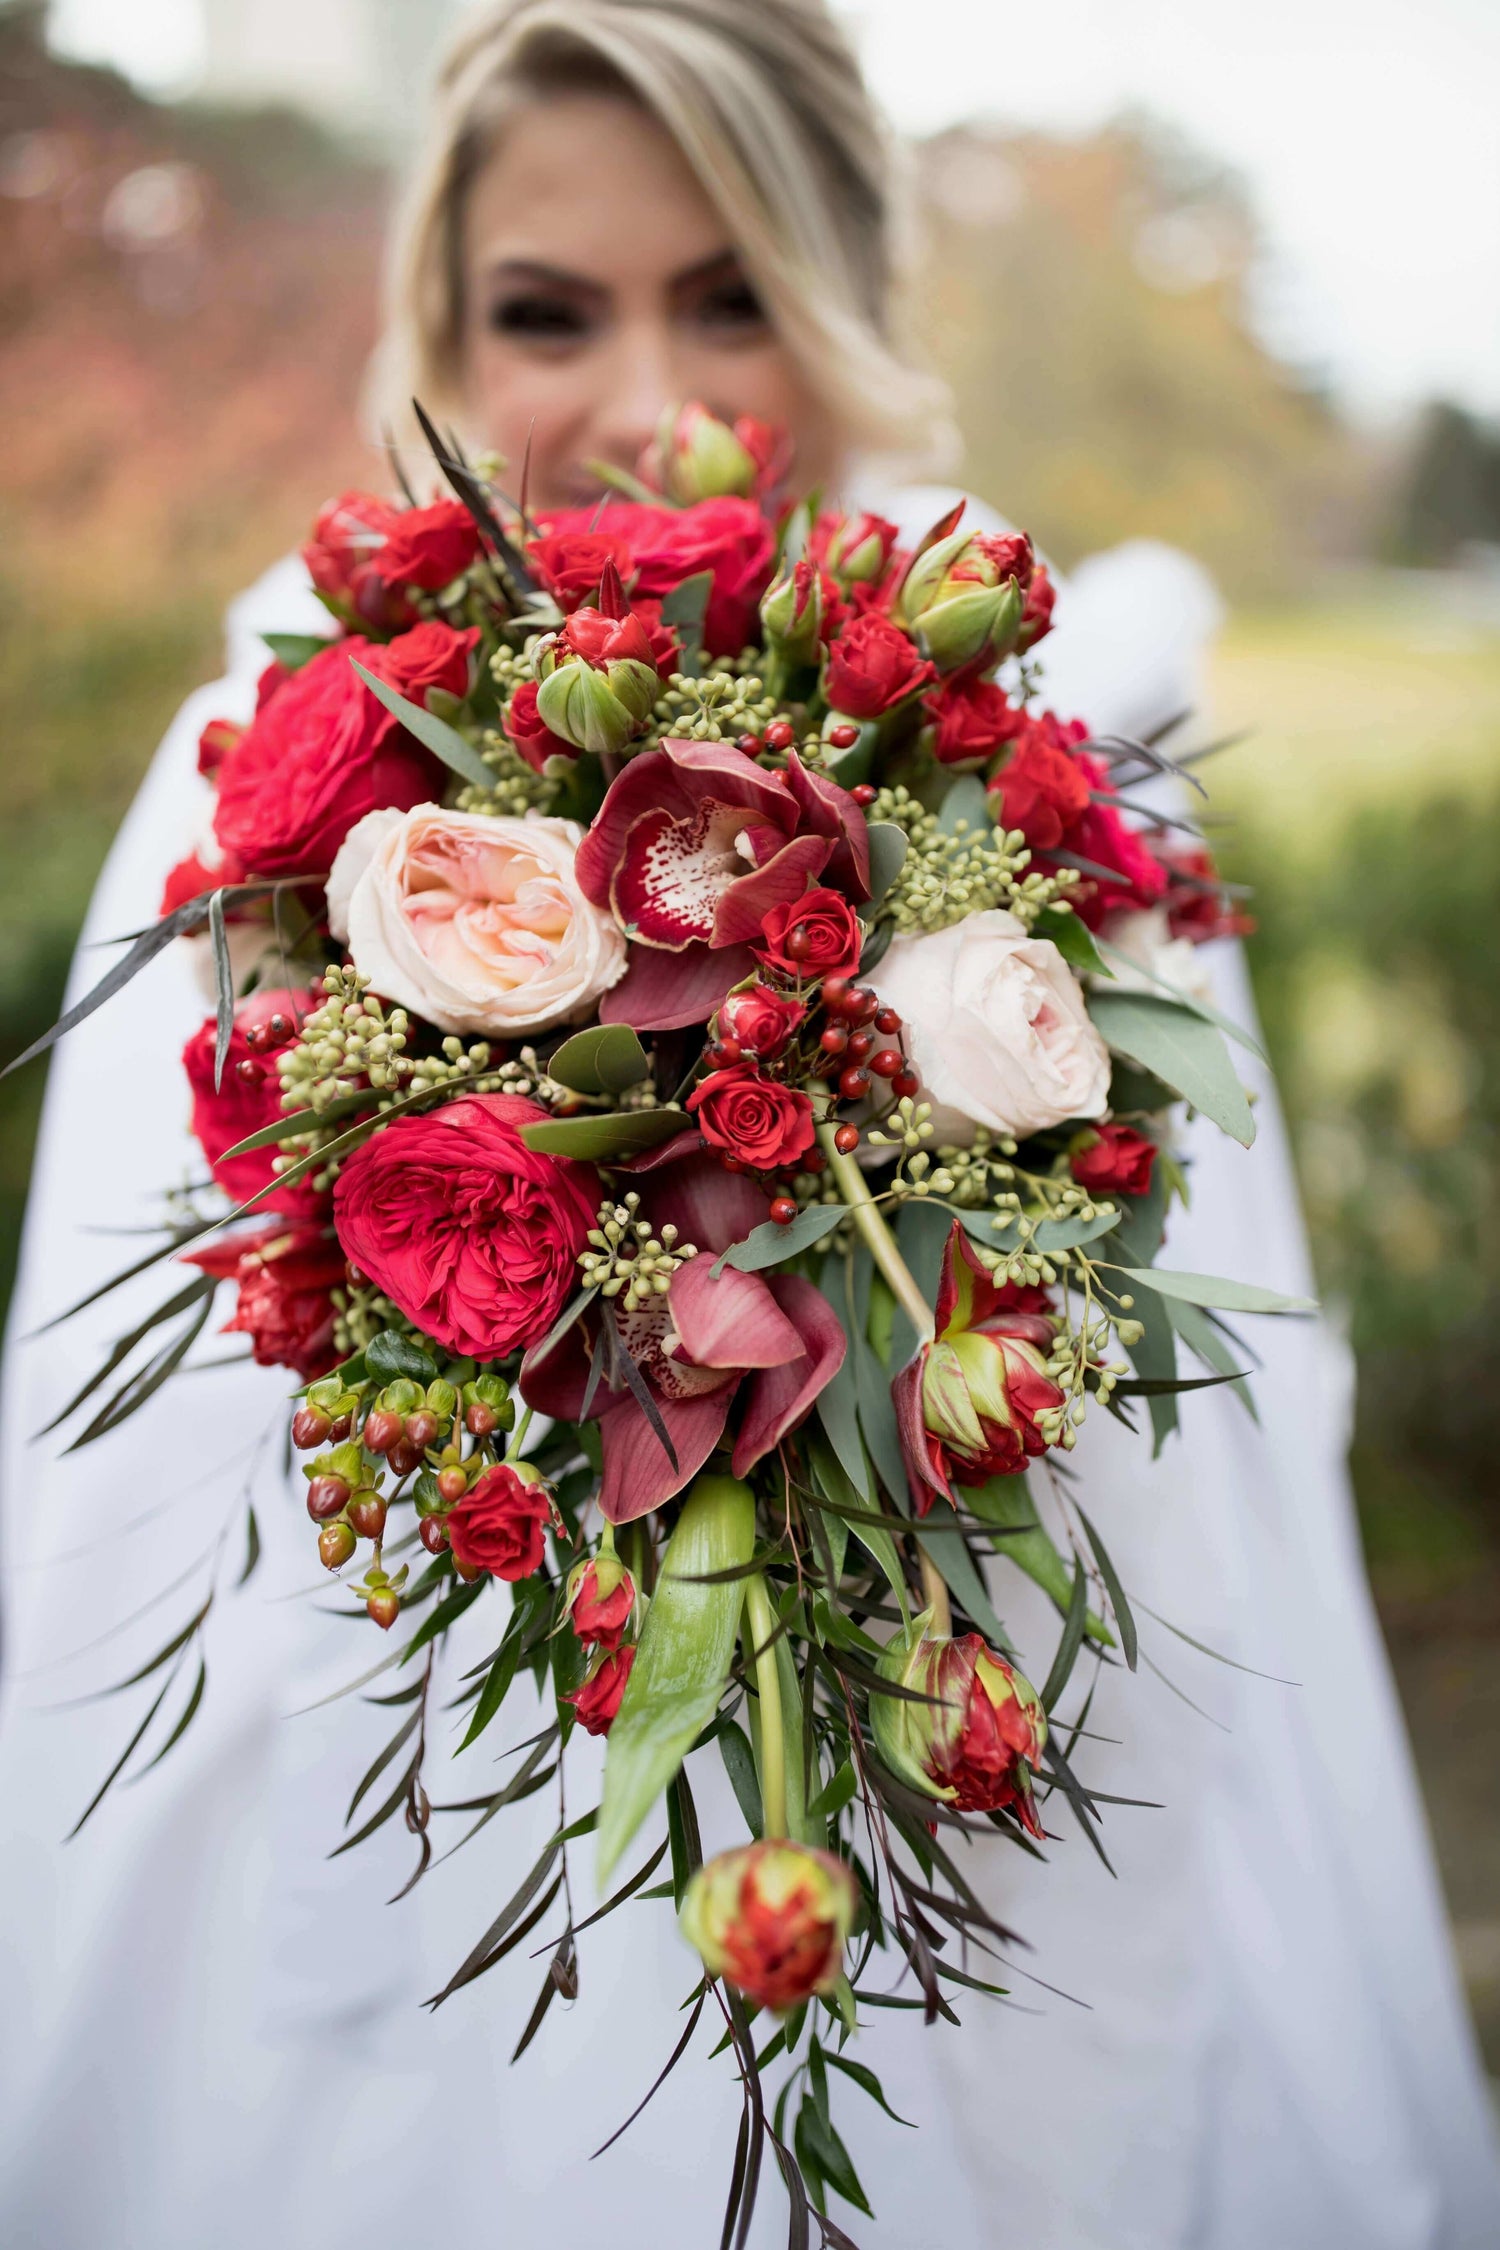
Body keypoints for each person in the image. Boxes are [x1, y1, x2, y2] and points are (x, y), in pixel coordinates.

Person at [1, 4, 1495, 2245]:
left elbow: (1200, 1433)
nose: (641, 397)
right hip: (403, 1810)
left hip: (956, 1844)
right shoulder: (260, 750)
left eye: (728, 301)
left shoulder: (1037, 760)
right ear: (440, 327)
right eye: (546, 311)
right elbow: (131, 1472)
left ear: (846, 304)